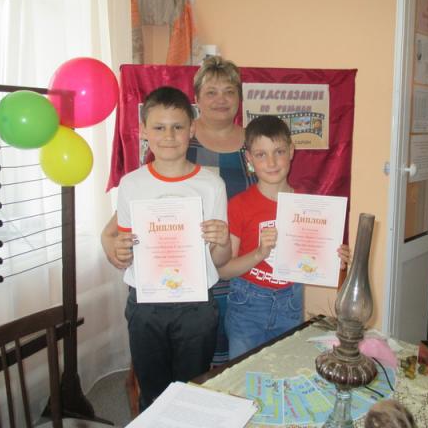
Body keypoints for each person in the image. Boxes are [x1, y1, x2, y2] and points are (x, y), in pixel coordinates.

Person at [102, 56, 255, 366]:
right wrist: (113, 246)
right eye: (211, 92)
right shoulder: (146, 173)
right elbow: (124, 230)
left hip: (229, 275)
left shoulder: (243, 155)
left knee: (208, 370)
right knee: (155, 379)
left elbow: (270, 201)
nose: (221, 99)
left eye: (229, 91)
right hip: (157, 292)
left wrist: (226, 240)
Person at [115, 86, 231, 409]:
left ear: (192, 129)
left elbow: (220, 260)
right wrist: (121, 252)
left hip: (196, 306)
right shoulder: (131, 185)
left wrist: (222, 240)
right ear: (143, 130)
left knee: (191, 392)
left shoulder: (211, 185)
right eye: (159, 127)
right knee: (153, 394)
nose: (169, 136)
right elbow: (124, 254)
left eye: (178, 127)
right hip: (146, 304)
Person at [218, 115, 350, 359]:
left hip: (290, 303)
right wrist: (259, 254)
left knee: (284, 371)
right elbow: (224, 270)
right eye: (261, 154)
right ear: (249, 159)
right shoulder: (239, 205)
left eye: (278, 151)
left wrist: (334, 260)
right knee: (243, 373)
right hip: (247, 306)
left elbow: (314, 261)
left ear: (291, 151)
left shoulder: (308, 206)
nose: (271, 162)